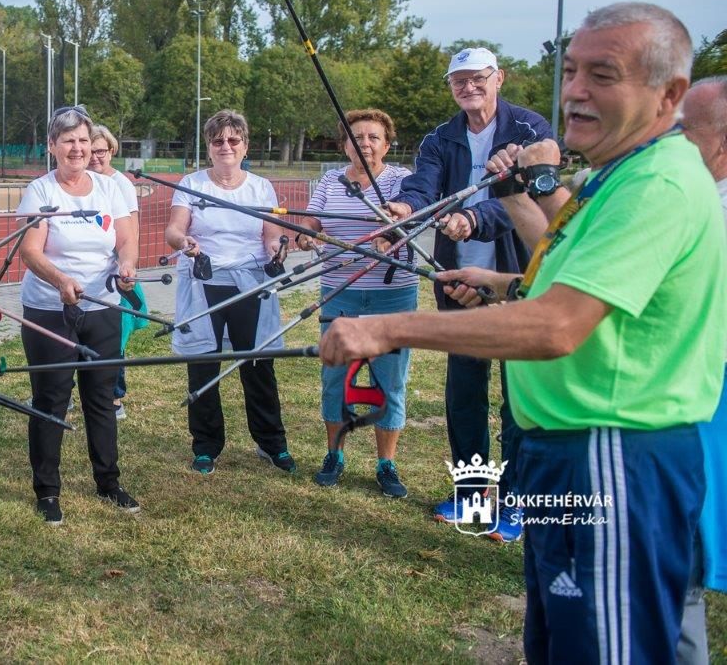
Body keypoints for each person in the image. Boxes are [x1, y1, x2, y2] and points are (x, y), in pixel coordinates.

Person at [322, 2, 725, 664]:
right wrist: (501, 260)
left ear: (668, 94)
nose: (575, 91)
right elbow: (560, 268)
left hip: (612, 453)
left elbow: (559, 323)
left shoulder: (658, 185)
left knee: (607, 648)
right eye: (571, 71)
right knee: (563, 641)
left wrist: (387, 328)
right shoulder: (612, 176)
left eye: (602, 75)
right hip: (568, 449)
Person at [383, 46, 551, 541]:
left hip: (517, 279)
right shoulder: (441, 137)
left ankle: (516, 502)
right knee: (465, 394)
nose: (468, 87)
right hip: (459, 281)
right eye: (459, 81)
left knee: (520, 399)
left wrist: (475, 218)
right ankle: (471, 494)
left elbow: (528, 197)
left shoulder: (530, 128)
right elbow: (423, 186)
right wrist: (405, 207)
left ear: (499, 78)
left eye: (478, 78)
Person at [16, 105, 139, 525]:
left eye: (83, 140)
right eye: (68, 140)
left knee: (101, 398)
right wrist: (61, 281)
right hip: (50, 309)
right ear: (52, 146)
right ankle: (47, 490)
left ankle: (108, 481)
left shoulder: (109, 187)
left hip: (102, 306)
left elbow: (126, 239)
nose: (78, 148)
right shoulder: (40, 191)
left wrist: (127, 266)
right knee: (51, 398)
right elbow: (31, 251)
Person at [294, 109, 417, 497]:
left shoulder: (402, 180)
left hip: (392, 294)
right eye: (356, 137)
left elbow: (411, 216)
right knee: (335, 376)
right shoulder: (330, 181)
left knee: (389, 379)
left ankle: (386, 463)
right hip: (339, 291)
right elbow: (311, 222)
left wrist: (390, 234)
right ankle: (335, 454)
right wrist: (305, 236)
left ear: (387, 144)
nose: (364, 143)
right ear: (345, 144)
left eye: (373, 137)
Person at [164, 109, 292, 476]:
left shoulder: (261, 187)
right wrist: (184, 243)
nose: (226, 146)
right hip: (204, 281)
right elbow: (174, 230)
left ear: (245, 146)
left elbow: (271, 236)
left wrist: (277, 249)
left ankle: (272, 443)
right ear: (209, 146)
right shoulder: (192, 183)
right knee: (203, 367)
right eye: (218, 140)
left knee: (258, 365)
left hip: (250, 282)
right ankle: (206, 446)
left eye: (233, 140)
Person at [669, 75, 727, 665]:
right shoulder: (693, 195)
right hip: (692, 394)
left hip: (705, 397)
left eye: (684, 128)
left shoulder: (708, 209)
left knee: (681, 557)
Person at [87, 122, 143, 420]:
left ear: (111, 151)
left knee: (114, 335)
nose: (95, 157)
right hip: (89, 271)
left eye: (101, 151)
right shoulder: (84, 180)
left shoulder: (119, 183)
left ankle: (114, 397)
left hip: (114, 270)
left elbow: (131, 228)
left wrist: (127, 262)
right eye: (91, 151)